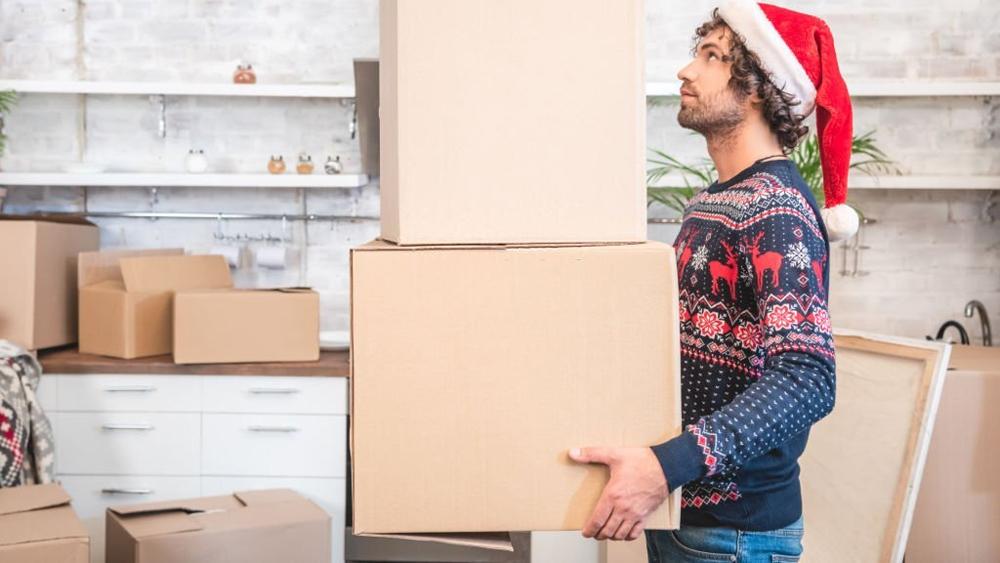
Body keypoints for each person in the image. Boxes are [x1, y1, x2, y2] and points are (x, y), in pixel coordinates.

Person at [569, 1, 859, 561]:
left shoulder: (775, 208)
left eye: (711, 57)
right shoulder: (715, 200)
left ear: (757, 88)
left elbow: (807, 378)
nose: (686, 71)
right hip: (689, 520)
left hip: (734, 535)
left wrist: (666, 464)